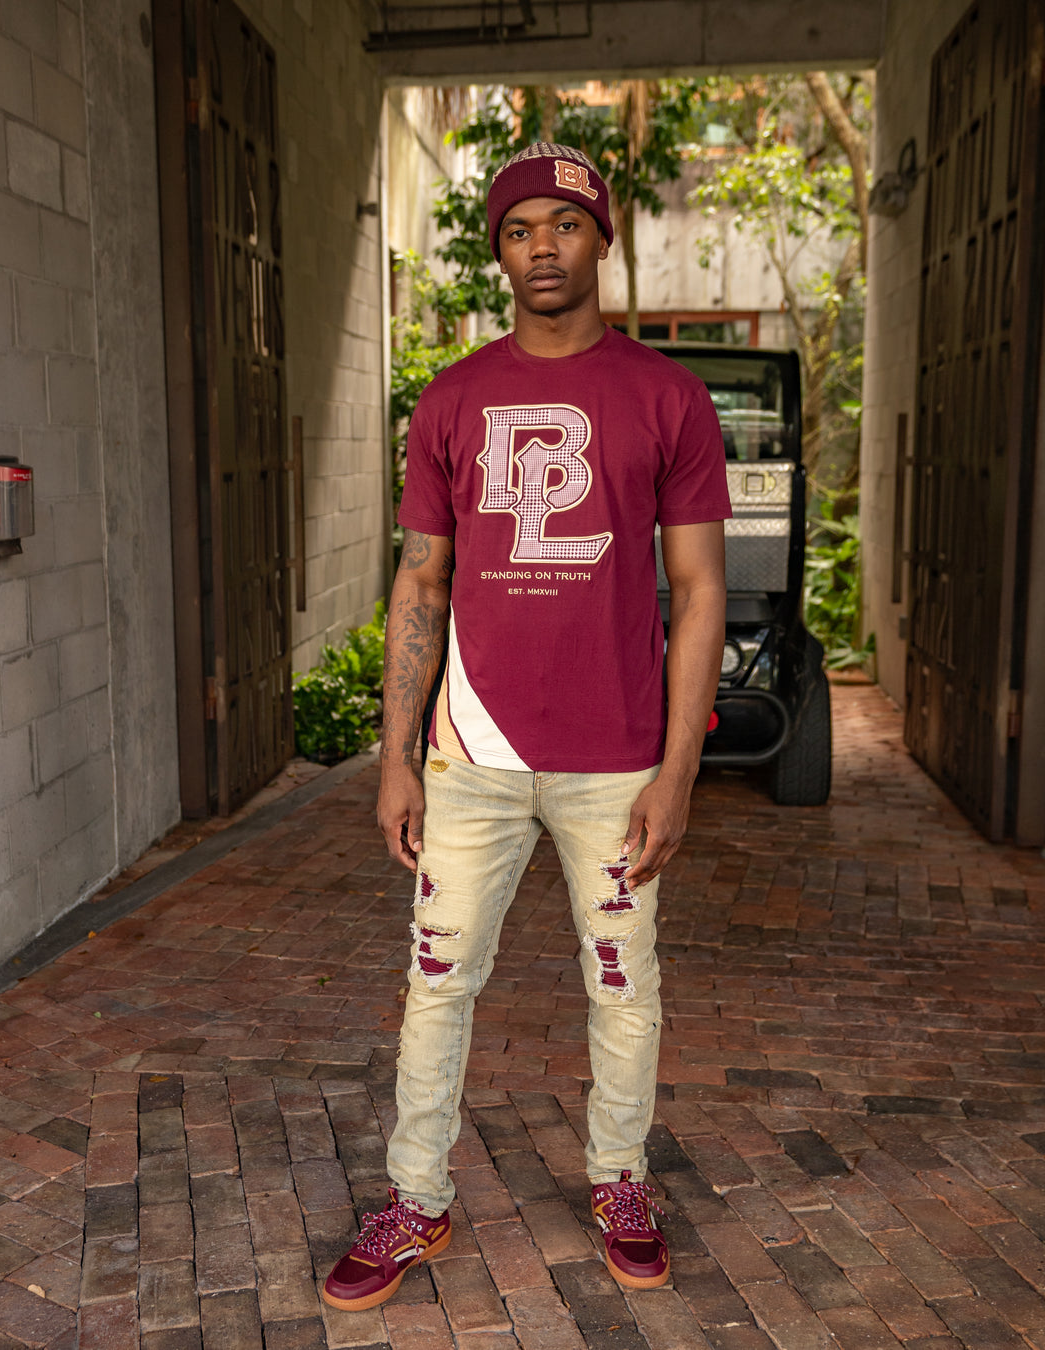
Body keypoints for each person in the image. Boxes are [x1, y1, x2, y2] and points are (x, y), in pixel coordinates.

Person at [322, 142, 730, 1312]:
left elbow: (699, 590)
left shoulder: (667, 396)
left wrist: (680, 769)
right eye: (518, 227)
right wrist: (396, 754)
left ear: (603, 238)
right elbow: (419, 583)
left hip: (616, 757)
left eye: (565, 222)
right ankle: (417, 1197)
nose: (541, 245)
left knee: (623, 983)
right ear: (497, 248)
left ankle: (619, 1179)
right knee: (439, 979)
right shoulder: (451, 398)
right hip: (474, 752)